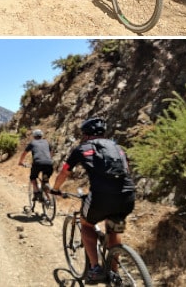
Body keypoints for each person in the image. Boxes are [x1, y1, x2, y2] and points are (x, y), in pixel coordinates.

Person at [50, 117, 136, 284]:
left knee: (87, 224)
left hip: (101, 197)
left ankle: (95, 268)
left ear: (86, 134)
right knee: (114, 229)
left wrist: (56, 189)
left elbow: (65, 172)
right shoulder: (118, 148)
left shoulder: (81, 149)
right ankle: (114, 272)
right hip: (127, 196)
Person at [17, 129, 54, 204]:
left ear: (34, 136)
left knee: (33, 177)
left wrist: (20, 162)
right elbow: (51, 153)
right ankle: (49, 197)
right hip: (49, 164)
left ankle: (37, 193)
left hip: (37, 163)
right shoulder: (47, 142)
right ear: (41, 135)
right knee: (45, 181)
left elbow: (24, 153)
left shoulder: (32, 143)